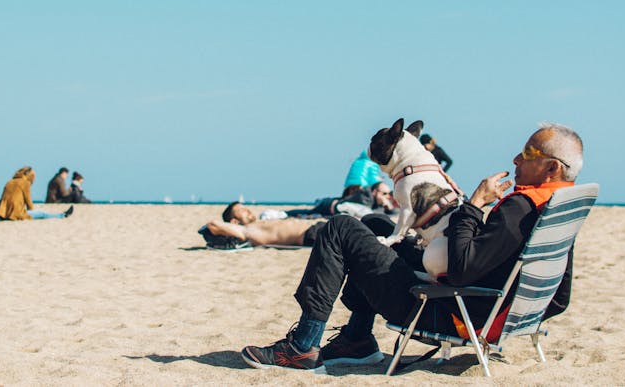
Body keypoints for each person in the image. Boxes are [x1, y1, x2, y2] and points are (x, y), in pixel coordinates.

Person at [240, 123, 583, 373]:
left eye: (527, 154)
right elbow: (560, 297)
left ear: (552, 167)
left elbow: (462, 267)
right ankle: (358, 339)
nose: (516, 159)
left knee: (340, 228)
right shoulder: (558, 206)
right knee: (375, 225)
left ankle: (302, 345)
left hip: (446, 310)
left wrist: (474, 205)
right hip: (481, 307)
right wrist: (519, 315)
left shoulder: (517, 210)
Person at [209, 202, 330, 247]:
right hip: (313, 234)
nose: (247, 210)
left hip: (318, 227)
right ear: (234, 221)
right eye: (241, 210)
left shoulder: (258, 223)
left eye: (245, 207)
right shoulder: (247, 230)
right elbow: (212, 225)